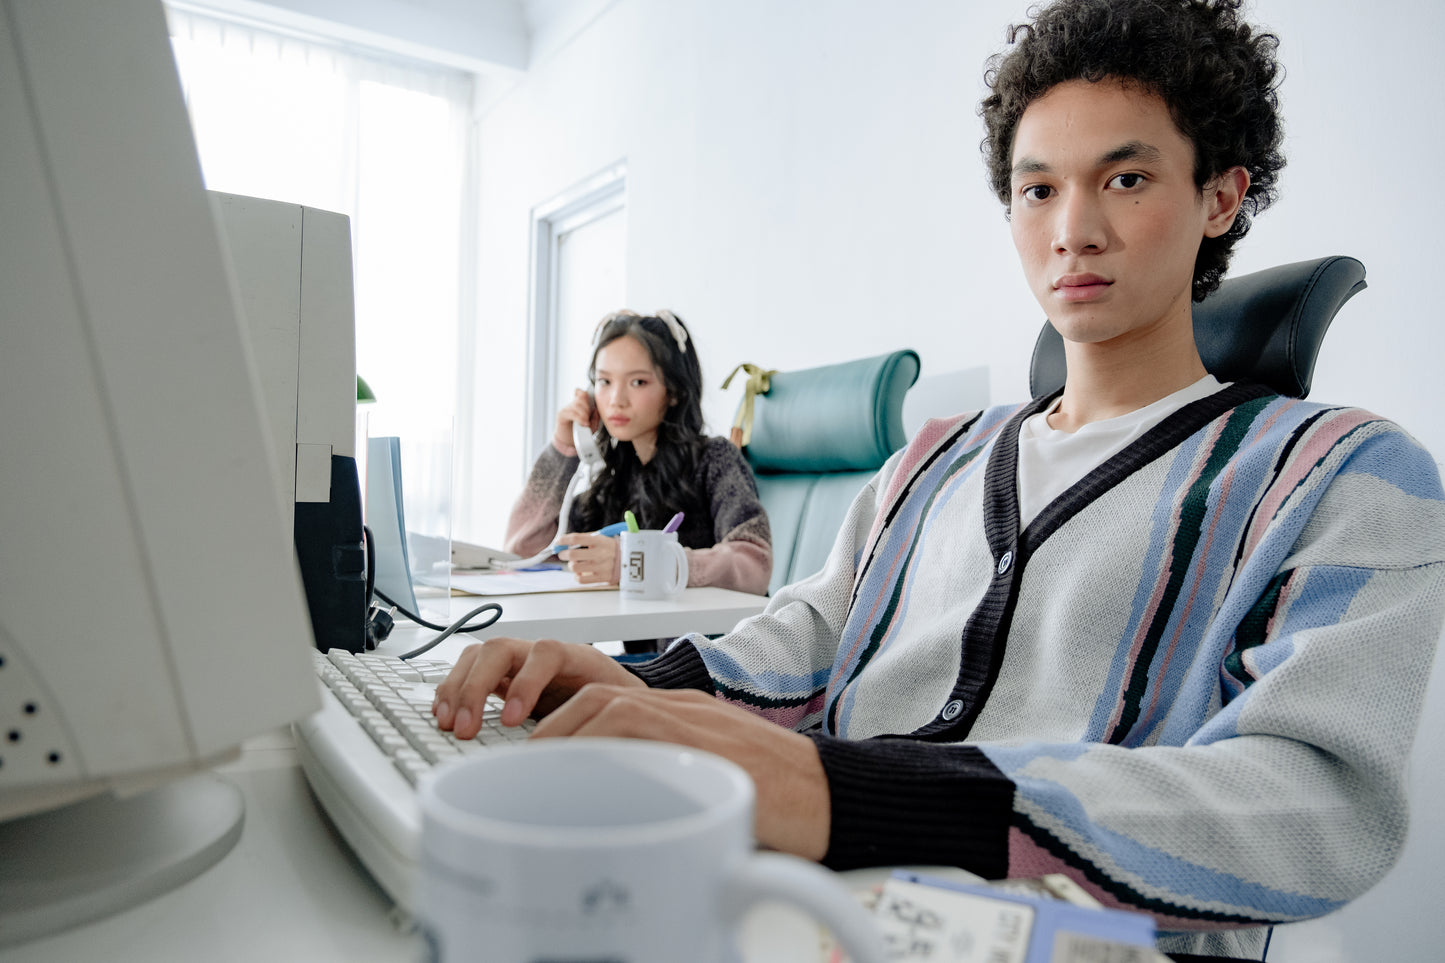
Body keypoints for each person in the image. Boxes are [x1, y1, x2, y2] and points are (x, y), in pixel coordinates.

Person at [435, 2, 1445, 958]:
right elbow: (814, 632)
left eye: (1124, 180)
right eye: (1037, 188)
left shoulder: (1343, 475)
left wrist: (845, 790)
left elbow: (1318, 801)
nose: (1071, 229)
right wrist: (641, 685)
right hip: (805, 889)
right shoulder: (935, 453)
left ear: (1219, 196)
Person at [504, 309, 771, 607]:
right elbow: (523, 553)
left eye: (638, 382)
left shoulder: (715, 459)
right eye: (604, 382)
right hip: (637, 654)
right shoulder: (613, 479)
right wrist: (562, 449)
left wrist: (634, 562)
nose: (616, 399)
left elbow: (753, 564)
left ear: (674, 392)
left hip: (708, 650)